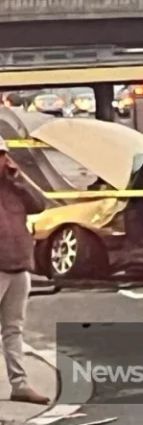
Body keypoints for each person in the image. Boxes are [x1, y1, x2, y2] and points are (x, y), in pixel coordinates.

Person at [0, 136, 51, 405]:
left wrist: (19, 179)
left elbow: (39, 205)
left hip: (19, 266)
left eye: (2, 155)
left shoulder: (13, 188)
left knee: (13, 329)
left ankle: (19, 384)